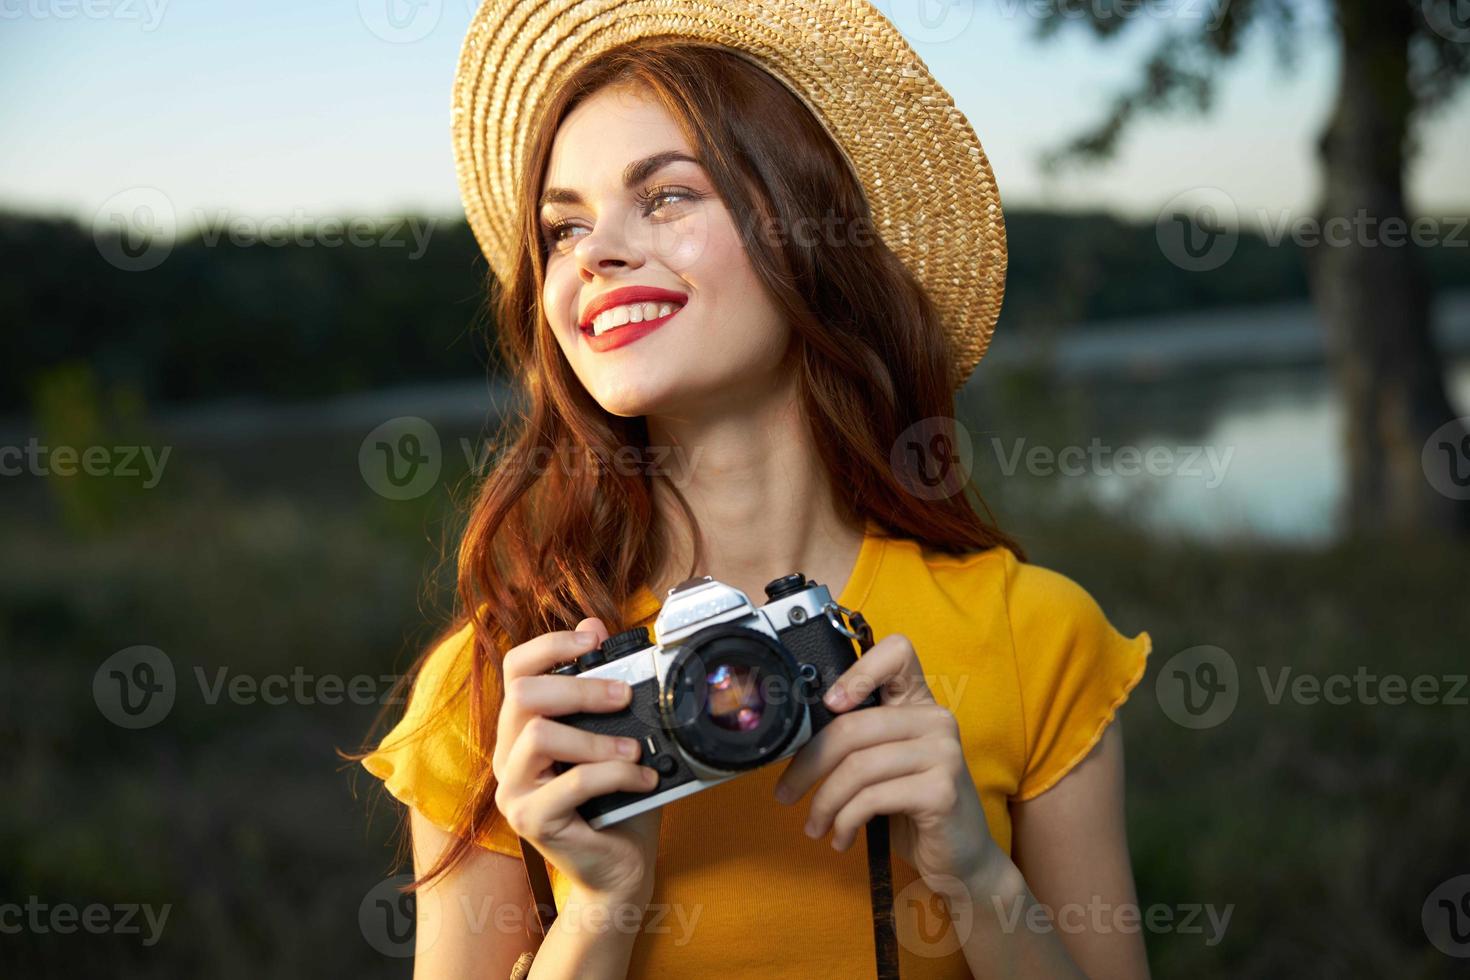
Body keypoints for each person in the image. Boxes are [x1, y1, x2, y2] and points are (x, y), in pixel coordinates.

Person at [360, 2, 1153, 977]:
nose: (595, 252)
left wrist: (981, 879)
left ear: (806, 234)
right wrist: (596, 914)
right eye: (561, 226)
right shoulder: (502, 693)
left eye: (666, 197)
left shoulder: (1035, 637)